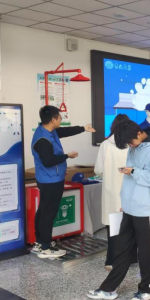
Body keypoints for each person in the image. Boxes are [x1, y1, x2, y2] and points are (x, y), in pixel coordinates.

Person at [87, 120, 150, 300]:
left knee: (146, 253)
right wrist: (125, 202)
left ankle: (146, 290)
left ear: (139, 133)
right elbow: (129, 180)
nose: (130, 145)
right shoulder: (134, 147)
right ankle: (109, 288)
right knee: (122, 250)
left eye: (130, 142)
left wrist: (134, 171)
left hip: (147, 210)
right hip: (130, 208)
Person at [31, 106, 95, 259]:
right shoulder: (43, 140)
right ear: (53, 120)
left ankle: (40, 242)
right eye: (60, 117)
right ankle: (45, 248)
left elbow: (64, 131)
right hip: (50, 180)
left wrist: (83, 129)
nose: (61, 119)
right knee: (48, 213)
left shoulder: (47, 130)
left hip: (49, 178)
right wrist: (67, 156)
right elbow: (48, 161)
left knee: (43, 211)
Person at [94, 115, 133, 271]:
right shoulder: (132, 145)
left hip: (111, 191)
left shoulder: (106, 144)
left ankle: (111, 261)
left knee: (112, 228)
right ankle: (130, 258)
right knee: (129, 227)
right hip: (129, 191)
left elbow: (98, 169)